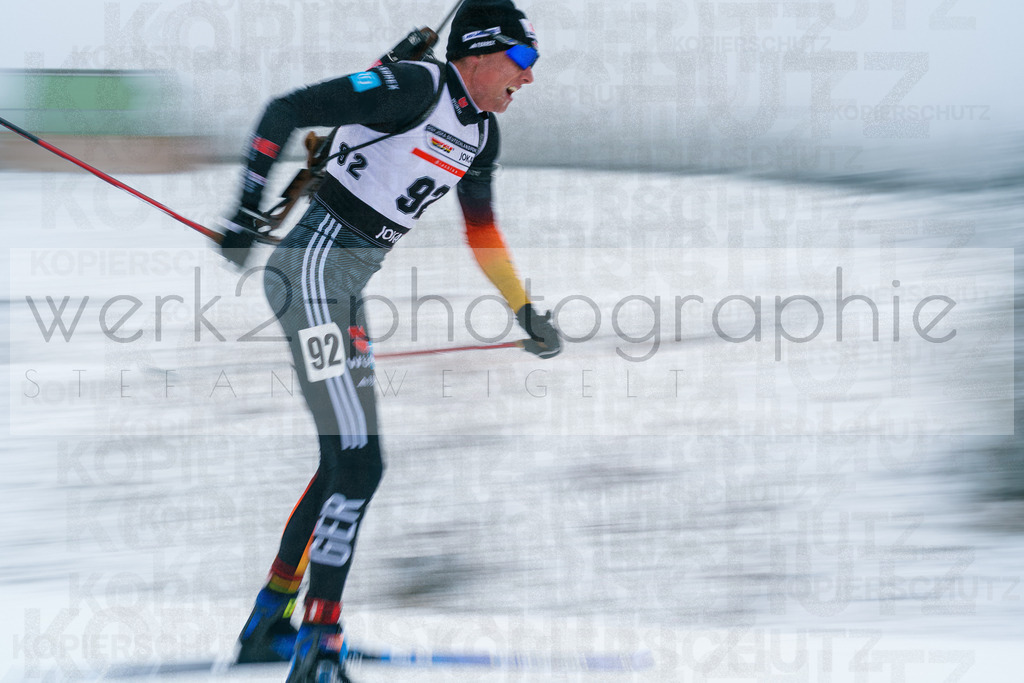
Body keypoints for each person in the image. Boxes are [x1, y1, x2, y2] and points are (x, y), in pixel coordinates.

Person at [217, 1, 561, 681]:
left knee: (343, 461)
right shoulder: (414, 85)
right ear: (480, 52)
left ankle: (269, 622)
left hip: (341, 292)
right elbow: (285, 111)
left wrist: (524, 309)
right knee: (360, 461)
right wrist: (245, 209)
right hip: (309, 277)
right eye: (522, 59)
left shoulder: (481, 135)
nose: (528, 76)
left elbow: (482, 232)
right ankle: (319, 645)